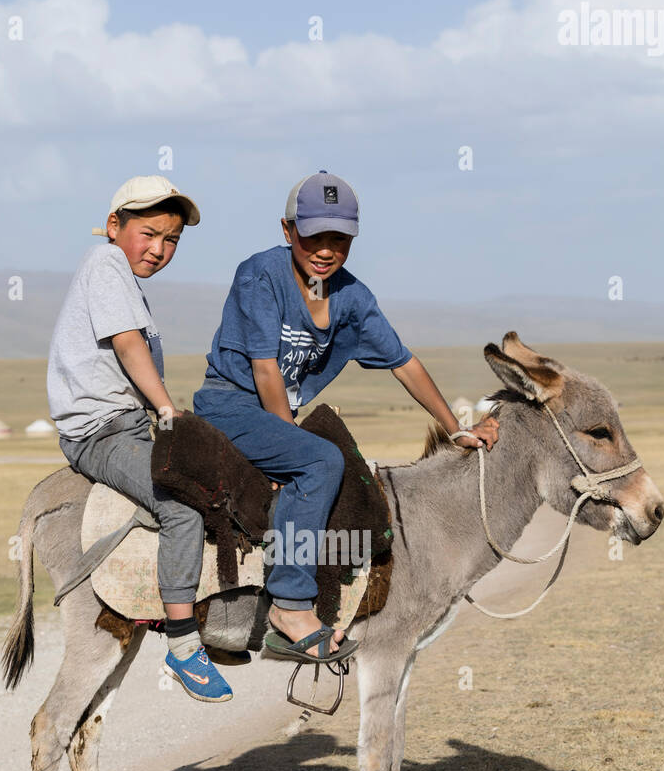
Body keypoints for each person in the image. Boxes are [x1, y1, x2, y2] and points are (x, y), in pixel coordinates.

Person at [193, 170, 498, 665]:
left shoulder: (353, 298)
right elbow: (266, 369)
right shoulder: (260, 275)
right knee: (321, 462)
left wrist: (456, 427)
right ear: (288, 230)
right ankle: (290, 606)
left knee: (351, 471)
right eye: (314, 235)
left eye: (340, 237)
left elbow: (405, 364)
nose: (326, 249)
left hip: (278, 414)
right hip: (230, 405)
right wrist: (287, 438)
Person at [47, 175, 233, 703]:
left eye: (171, 239)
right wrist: (168, 410)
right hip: (100, 433)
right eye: (149, 233)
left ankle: (218, 617)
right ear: (114, 226)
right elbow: (129, 347)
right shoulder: (104, 264)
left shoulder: (123, 278)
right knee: (181, 507)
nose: (159, 248)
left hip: (125, 423)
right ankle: (183, 645)